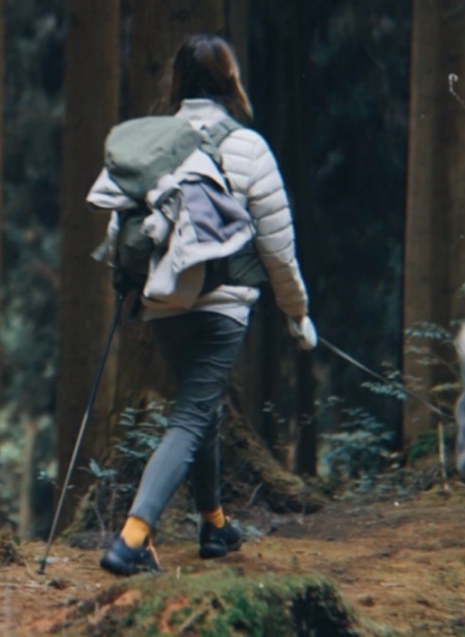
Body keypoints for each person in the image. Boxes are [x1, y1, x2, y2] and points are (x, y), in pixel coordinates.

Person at [88, 34, 317, 576]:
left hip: (163, 303)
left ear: (178, 79)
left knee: (202, 407)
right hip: (223, 306)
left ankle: (214, 525)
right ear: (228, 80)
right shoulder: (248, 147)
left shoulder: (152, 143)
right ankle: (131, 539)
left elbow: (121, 225)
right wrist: (297, 312)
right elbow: (277, 249)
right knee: (193, 415)